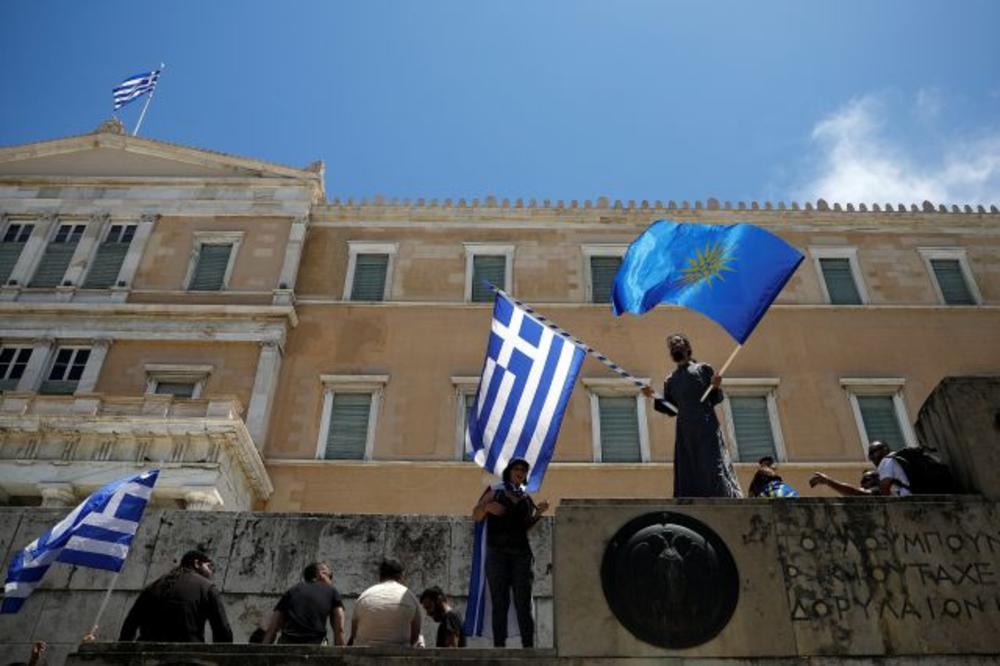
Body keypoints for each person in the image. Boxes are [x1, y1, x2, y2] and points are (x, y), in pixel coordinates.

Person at [641, 333, 742, 498]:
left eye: (678, 342)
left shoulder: (703, 369)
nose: (674, 345)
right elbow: (671, 409)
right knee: (688, 468)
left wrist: (716, 386)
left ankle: (723, 498)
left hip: (705, 424)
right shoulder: (670, 380)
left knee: (712, 465)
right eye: (672, 345)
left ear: (687, 347)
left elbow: (715, 398)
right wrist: (652, 395)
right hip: (685, 430)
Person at [471, 457, 548, 648]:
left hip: (521, 554)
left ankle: (529, 647)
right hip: (497, 553)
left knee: (523, 602)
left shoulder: (525, 497)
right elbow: (475, 514)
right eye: (517, 469)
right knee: (500, 602)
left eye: (523, 470)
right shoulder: (495, 491)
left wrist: (538, 514)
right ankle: (499, 647)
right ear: (509, 471)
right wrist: (487, 507)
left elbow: (525, 526)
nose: (520, 472)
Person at [119, 549, 233, 643]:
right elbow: (222, 631)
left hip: (147, 656)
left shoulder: (153, 586)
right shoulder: (207, 587)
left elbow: (129, 625)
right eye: (209, 566)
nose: (211, 572)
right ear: (197, 563)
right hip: (188, 657)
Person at [262, 561, 345, 645]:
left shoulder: (292, 590)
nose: (331, 581)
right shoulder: (331, 591)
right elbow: (339, 627)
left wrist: (263, 651)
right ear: (321, 574)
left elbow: (273, 627)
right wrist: (342, 653)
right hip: (315, 644)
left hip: (287, 642)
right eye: (330, 576)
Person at [348, 558, 421, 647]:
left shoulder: (364, 596)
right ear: (401, 576)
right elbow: (415, 636)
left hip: (365, 654)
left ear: (380, 576)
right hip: (399, 654)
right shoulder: (410, 597)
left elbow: (354, 633)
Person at [809, 469, 880, 496]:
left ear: (877, 480)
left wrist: (828, 481)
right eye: (862, 481)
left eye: (867, 480)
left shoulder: (879, 491)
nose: (862, 484)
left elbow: (855, 492)